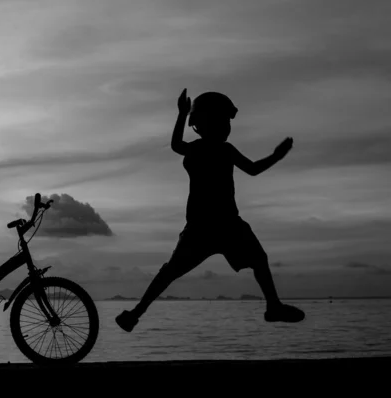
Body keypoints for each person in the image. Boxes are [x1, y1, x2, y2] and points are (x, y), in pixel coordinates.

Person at [115, 88, 305, 333]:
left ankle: (273, 306)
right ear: (205, 123)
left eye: (226, 122)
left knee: (254, 260)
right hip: (211, 226)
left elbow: (252, 168)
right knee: (172, 271)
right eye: (221, 121)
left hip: (220, 224)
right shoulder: (207, 149)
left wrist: (277, 156)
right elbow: (252, 168)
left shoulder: (217, 150)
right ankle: (135, 314)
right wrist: (183, 114)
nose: (225, 127)